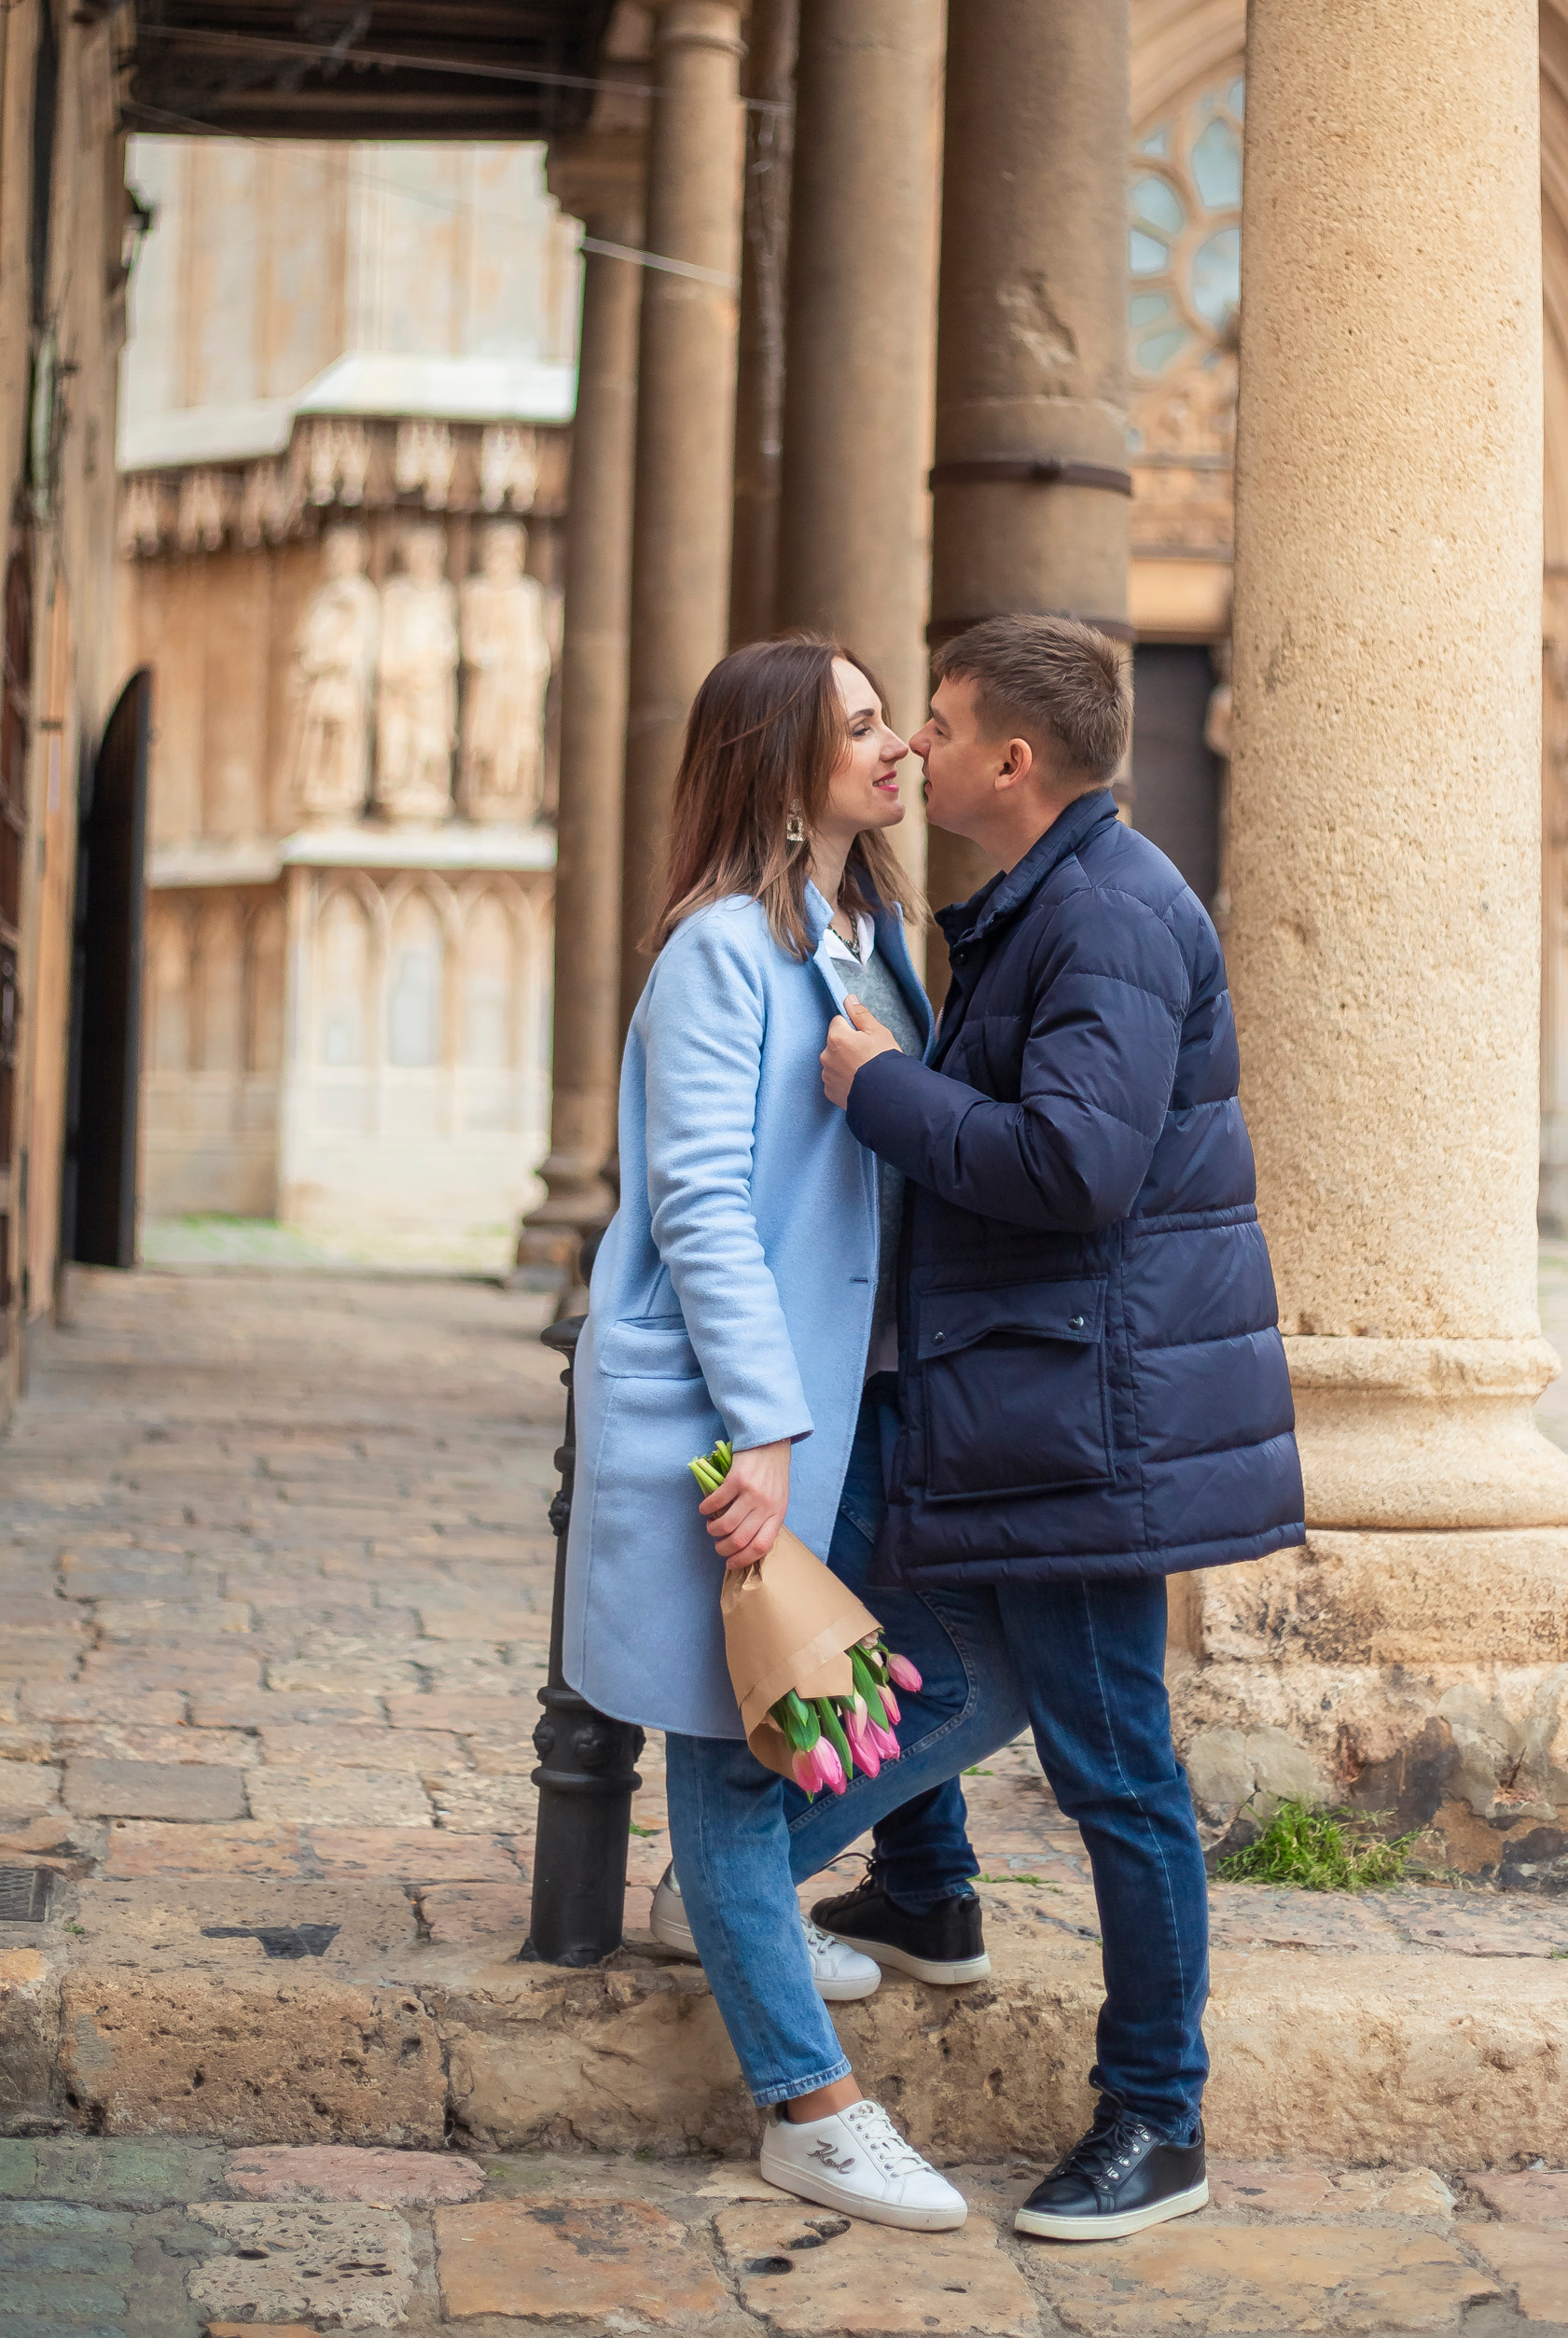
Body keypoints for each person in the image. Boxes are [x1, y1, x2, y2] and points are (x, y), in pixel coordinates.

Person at [814, 614, 1304, 2243]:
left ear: (1011, 762)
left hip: (1101, 1417)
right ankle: (928, 1886)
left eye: (939, 724)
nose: (917, 750)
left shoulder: (1106, 916)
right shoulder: (1053, 896)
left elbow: (1074, 1169)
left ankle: (1159, 2121)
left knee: (1118, 1768)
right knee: (892, 1601)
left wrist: (879, 1085)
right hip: (1038, 1386)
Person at [562, 635, 972, 2232]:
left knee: (902, 1683)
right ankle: (810, 2106)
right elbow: (700, 1206)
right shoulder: (718, 952)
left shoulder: (870, 931)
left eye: (891, 724)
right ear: (779, 772)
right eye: (859, 728)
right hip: (746, 1414)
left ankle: (743, 1905)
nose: (894, 749)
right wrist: (768, 1432)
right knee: (737, 1760)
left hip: (854, 1397)